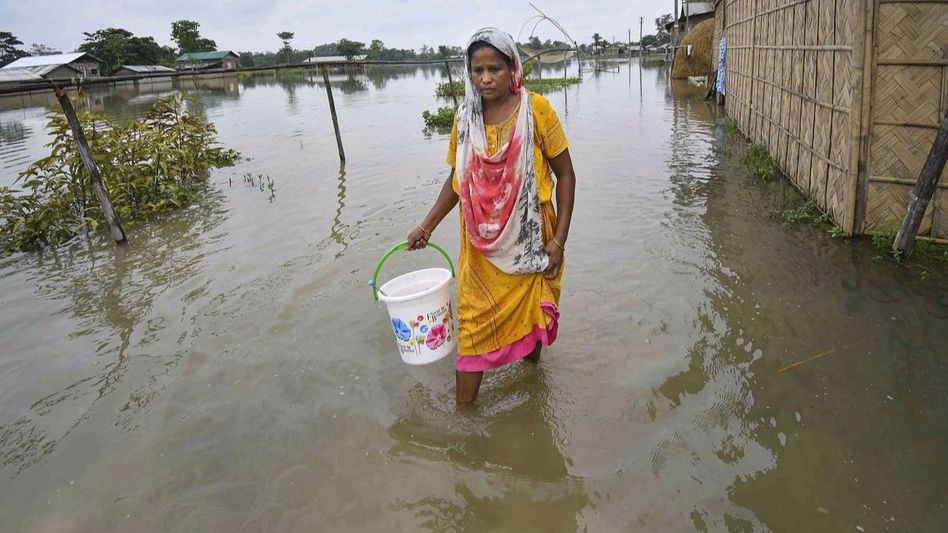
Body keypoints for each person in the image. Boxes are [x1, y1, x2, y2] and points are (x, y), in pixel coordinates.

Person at [407, 27, 576, 405]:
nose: (485, 78)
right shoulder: (464, 119)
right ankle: (464, 417)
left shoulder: (537, 111)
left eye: (494, 69)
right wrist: (427, 225)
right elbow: (457, 179)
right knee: (471, 325)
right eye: (477, 70)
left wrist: (558, 241)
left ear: (512, 68)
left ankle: (534, 392)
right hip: (480, 250)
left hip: (532, 241)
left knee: (532, 316)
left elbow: (566, 174)